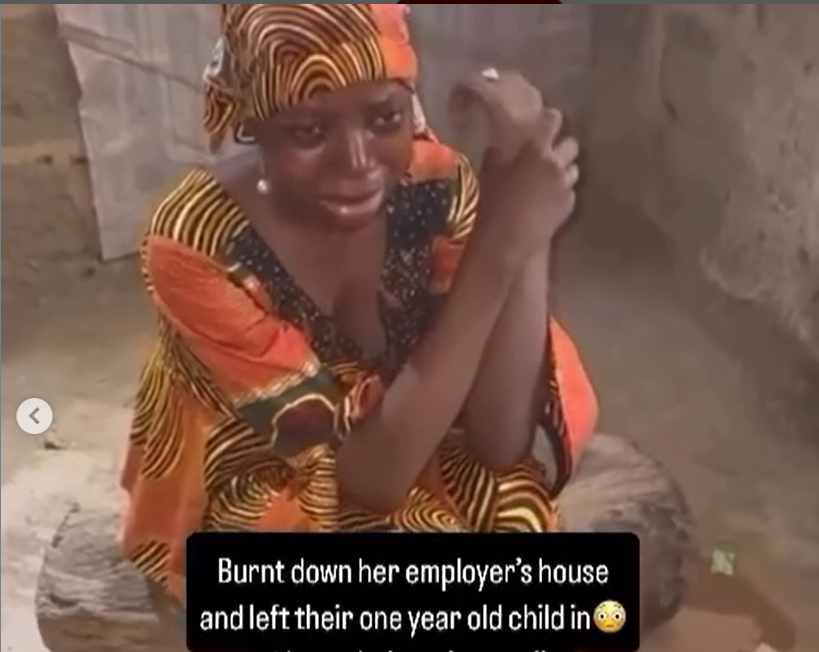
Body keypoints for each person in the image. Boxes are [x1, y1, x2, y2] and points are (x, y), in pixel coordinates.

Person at [121, 3, 599, 605]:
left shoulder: (434, 187)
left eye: (384, 118)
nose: (357, 162)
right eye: (308, 130)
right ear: (255, 122)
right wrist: (497, 247)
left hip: (408, 424)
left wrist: (524, 223)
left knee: (511, 512)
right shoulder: (196, 240)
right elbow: (370, 481)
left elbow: (500, 444)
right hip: (263, 469)